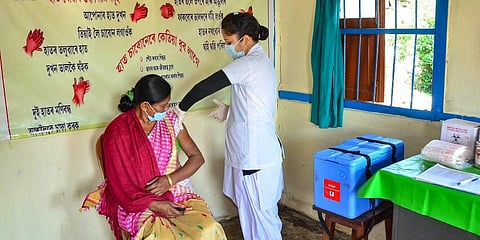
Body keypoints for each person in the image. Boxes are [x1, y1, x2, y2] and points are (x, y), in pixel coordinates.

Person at [173, 12, 284, 240]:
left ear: (244, 39)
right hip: (255, 155)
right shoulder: (259, 62)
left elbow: (205, 86)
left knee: (263, 224)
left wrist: (180, 110)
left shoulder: (250, 63)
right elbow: (257, 106)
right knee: (252, 219)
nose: (227, 47)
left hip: (256, 159)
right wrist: (230, 111)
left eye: (229, 42)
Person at [81, 74, 226, 240]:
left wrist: (169, 180)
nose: (167, 110)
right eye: (162, 106)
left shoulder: (171, 121)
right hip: (137, 202)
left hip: (176, 193)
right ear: (145, 105)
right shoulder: (117, 132)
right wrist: (155, 203)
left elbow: (197, 158)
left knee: (208, 228)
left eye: (168, 104)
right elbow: (120, 183)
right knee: (159, 236)